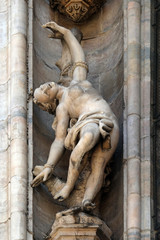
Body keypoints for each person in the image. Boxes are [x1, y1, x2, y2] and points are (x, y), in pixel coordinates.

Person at [31, 21, 119, 209]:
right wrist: (49, 166)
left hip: (107, 120)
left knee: (99, 164)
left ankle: (83, 195)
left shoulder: (78, 80)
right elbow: (59, 140)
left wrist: (64, 32)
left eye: (42, 86)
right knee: (84, 145)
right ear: (49, 102)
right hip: (89, 122)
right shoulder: (62, 109)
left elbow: (78, 54)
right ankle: (76, 193)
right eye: (44, 92)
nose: (45, 86)